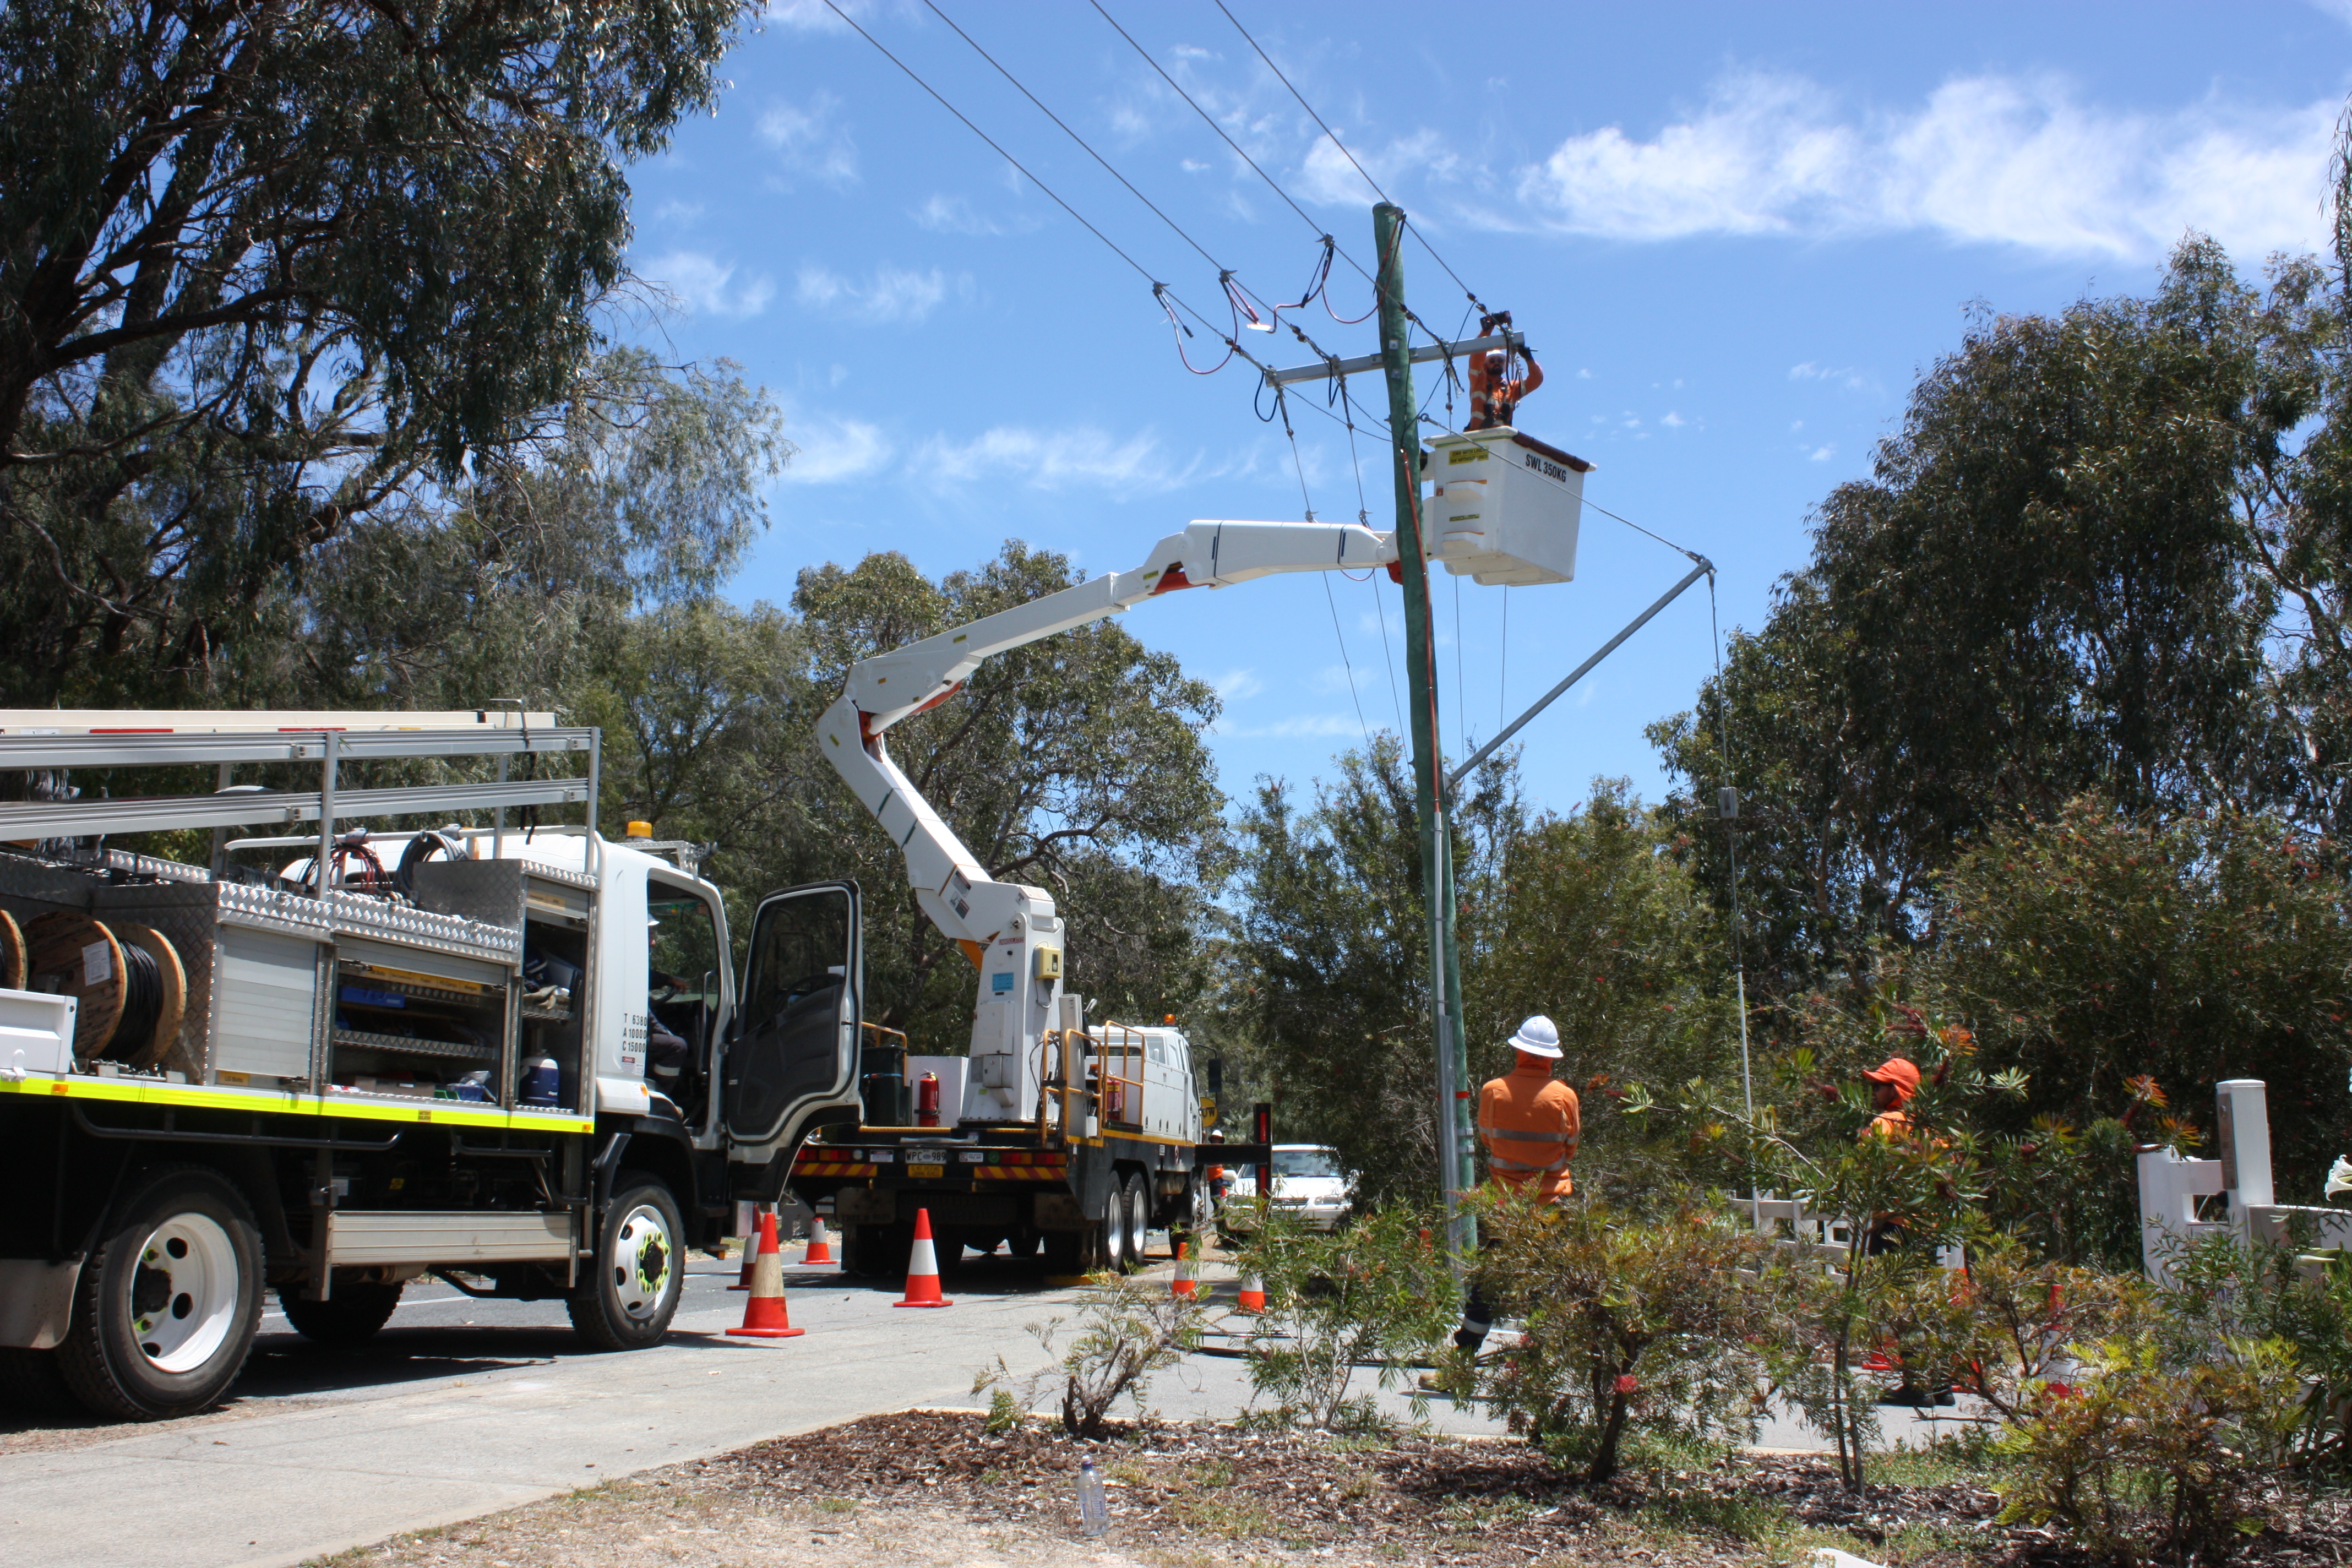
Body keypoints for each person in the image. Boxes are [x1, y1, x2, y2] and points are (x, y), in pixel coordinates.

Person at [1452, 1014, 1580, 1355]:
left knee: (1488, 1282)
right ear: (1551, 1057)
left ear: (1519, 1051)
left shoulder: (1494, 1092)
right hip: (1552, 1205)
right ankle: (1542, 1353)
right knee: (1550, 1280)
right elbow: (1571, 1147)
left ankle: (1465, 1353)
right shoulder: (1565, 1096)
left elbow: (1488, 1141)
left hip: (1506, 1207)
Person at [1466, 314, 1543, 431]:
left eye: (1500, 360)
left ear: (1504, 364)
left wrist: (1529, 359)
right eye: (1492, 360)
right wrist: (1487, 330)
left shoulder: (1512, 388)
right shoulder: (1479, 379)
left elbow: (1536, 380)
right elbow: (1477, 356)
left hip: (1500, 440)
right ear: (1485, 364)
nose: (1497, 363)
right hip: (1479, 437)